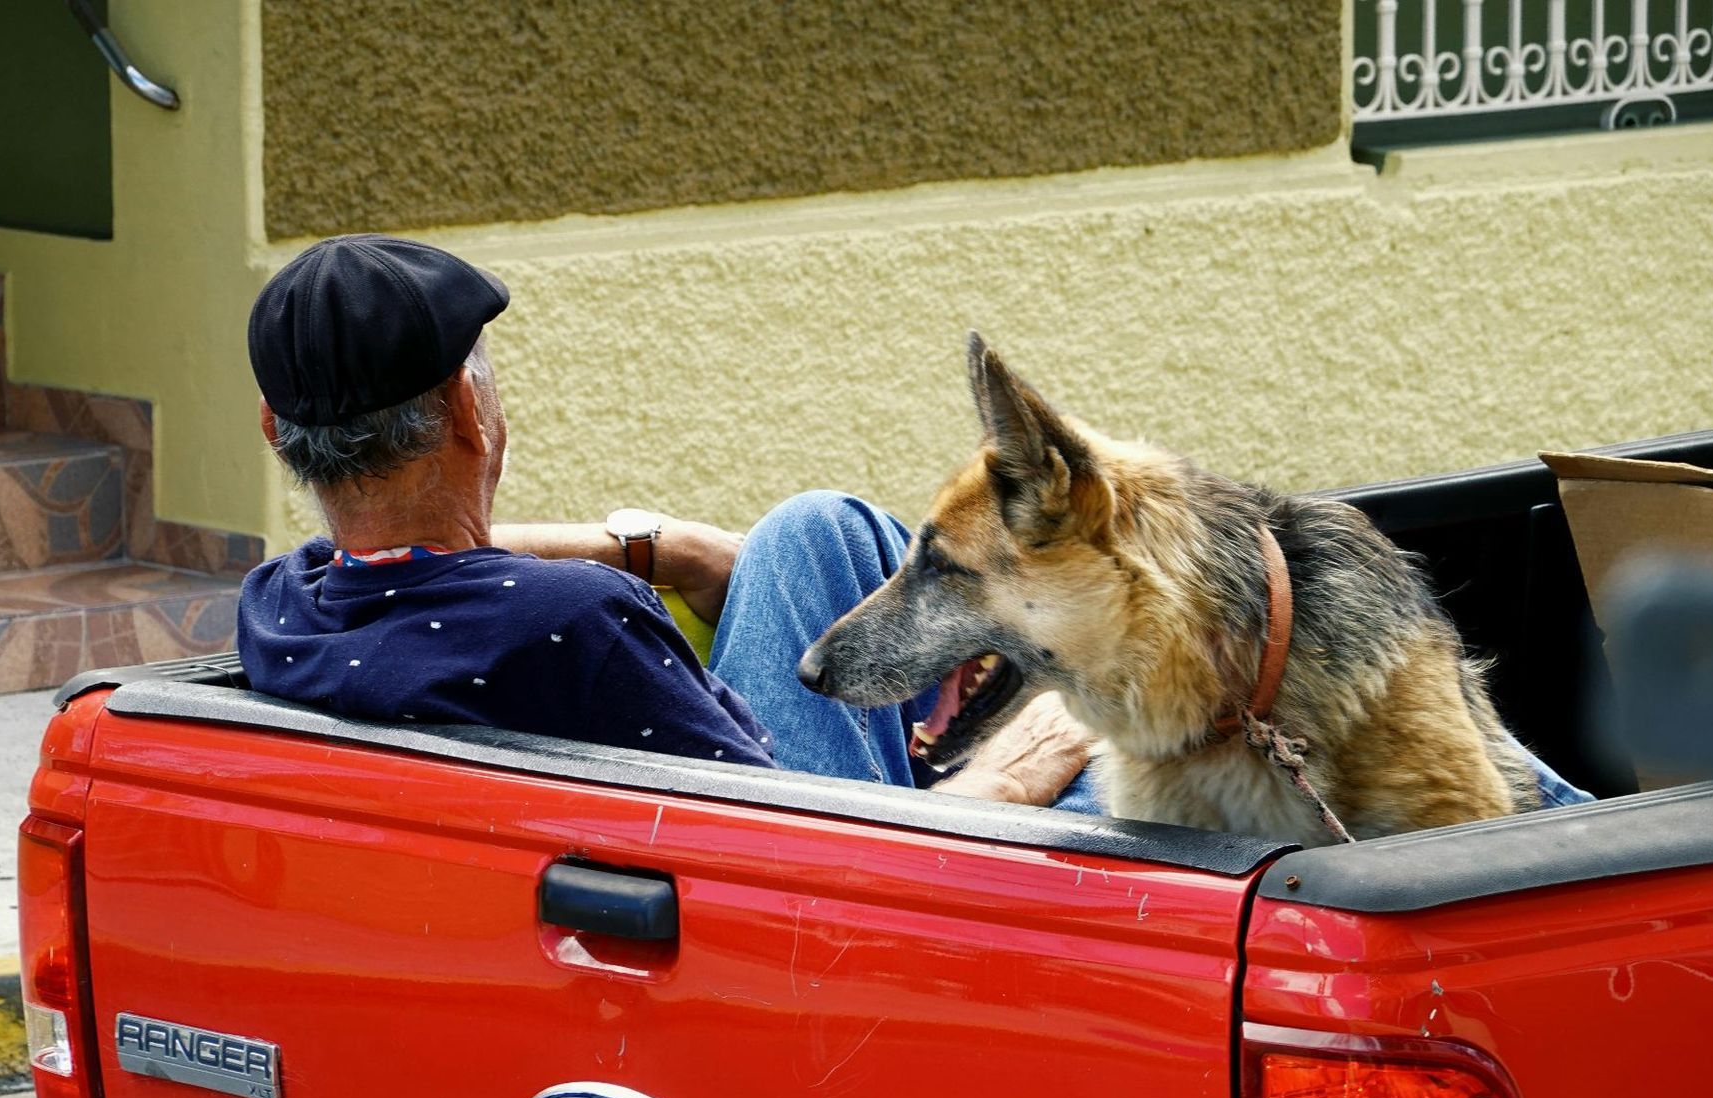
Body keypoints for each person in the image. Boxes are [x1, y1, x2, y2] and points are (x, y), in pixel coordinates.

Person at [239, 236, 1094, 810]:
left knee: (812, 531)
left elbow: (418, 558)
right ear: (470, 408)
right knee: (1100, 752)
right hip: (811, 889)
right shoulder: (576, 623)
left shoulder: (283, 602)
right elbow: (797, 856)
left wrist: (664, 549)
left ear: (276, 433)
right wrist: (1005, 782)